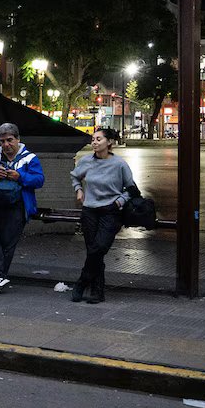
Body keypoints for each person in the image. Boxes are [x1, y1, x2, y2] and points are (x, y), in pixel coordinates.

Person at [0, 122, 45, 296]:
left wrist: (20, 176)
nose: (6, 145)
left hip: (17, 206)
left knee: (7, 243)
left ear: (18, 139)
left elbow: (39, 180)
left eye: (9, 140)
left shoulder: (30, 158)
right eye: (2, 141)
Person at [70, 127, 136, 304]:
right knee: (93, 249)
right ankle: (97, 291)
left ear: (109, 142)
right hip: (90, 210)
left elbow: (131, 189)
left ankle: (82, 282)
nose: (94, 142)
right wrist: (78, 190)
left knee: (98, 248)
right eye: (93, 139)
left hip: (111, 211)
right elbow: (75, 177)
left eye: (98, 139)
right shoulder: (86, 161)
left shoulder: (119, 164)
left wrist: (119, 202)